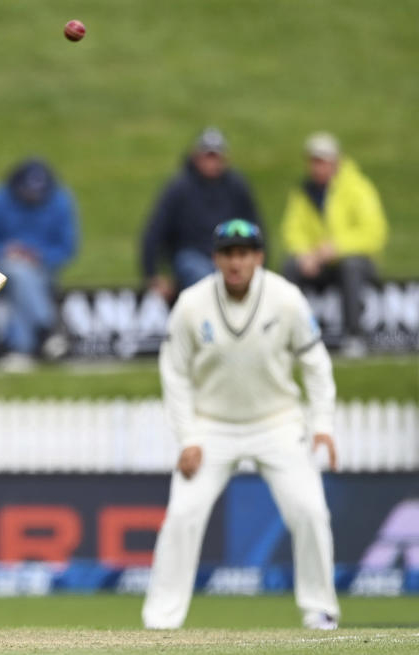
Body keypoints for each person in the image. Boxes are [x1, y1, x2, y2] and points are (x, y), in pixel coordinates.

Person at [142, 219, 340, 631]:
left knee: (310, 511)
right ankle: (161, 620)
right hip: (211, 426)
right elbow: (174, 374)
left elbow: (316, 364)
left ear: (258, 257)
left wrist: (322, 423)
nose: (236, 262)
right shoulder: (192, 304)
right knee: (182, 515)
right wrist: (188, 438)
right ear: (215, 259)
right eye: (228, 254)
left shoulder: (286, 299)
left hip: (278, 421)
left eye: (244, 253)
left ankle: (320, 609)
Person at [281, 132, 388, 358]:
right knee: (290, 267)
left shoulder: (358, 187)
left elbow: (374, 233)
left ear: (336, 161)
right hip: (319, 262)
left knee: (350, 266)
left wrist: (336, 247)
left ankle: (354, 336)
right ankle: (291, 335)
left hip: (355, 261)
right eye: (313, 161)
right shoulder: (303, 192)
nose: (317, 167)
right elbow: (292, 230)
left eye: (322, 161)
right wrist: (305, 255)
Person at [0, 159, 78, 368]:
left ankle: (21, 349)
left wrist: (39, 256)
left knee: (22, 281)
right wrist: (6, 251)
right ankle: (47, 329)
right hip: (3, 266)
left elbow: (66, 248)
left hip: (44, 270)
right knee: (18, 271)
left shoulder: (61, 200)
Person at [141, 127, 263, 300]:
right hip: (192, 254)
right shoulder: (179, 188)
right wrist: (152, 275)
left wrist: (259, 262)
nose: (211, 162)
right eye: (208, 156)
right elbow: (155, 230)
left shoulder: (237, 186)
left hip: (228, 252)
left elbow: (256, 226)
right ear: (196, 157)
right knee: (204, 279)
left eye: (216, 157)